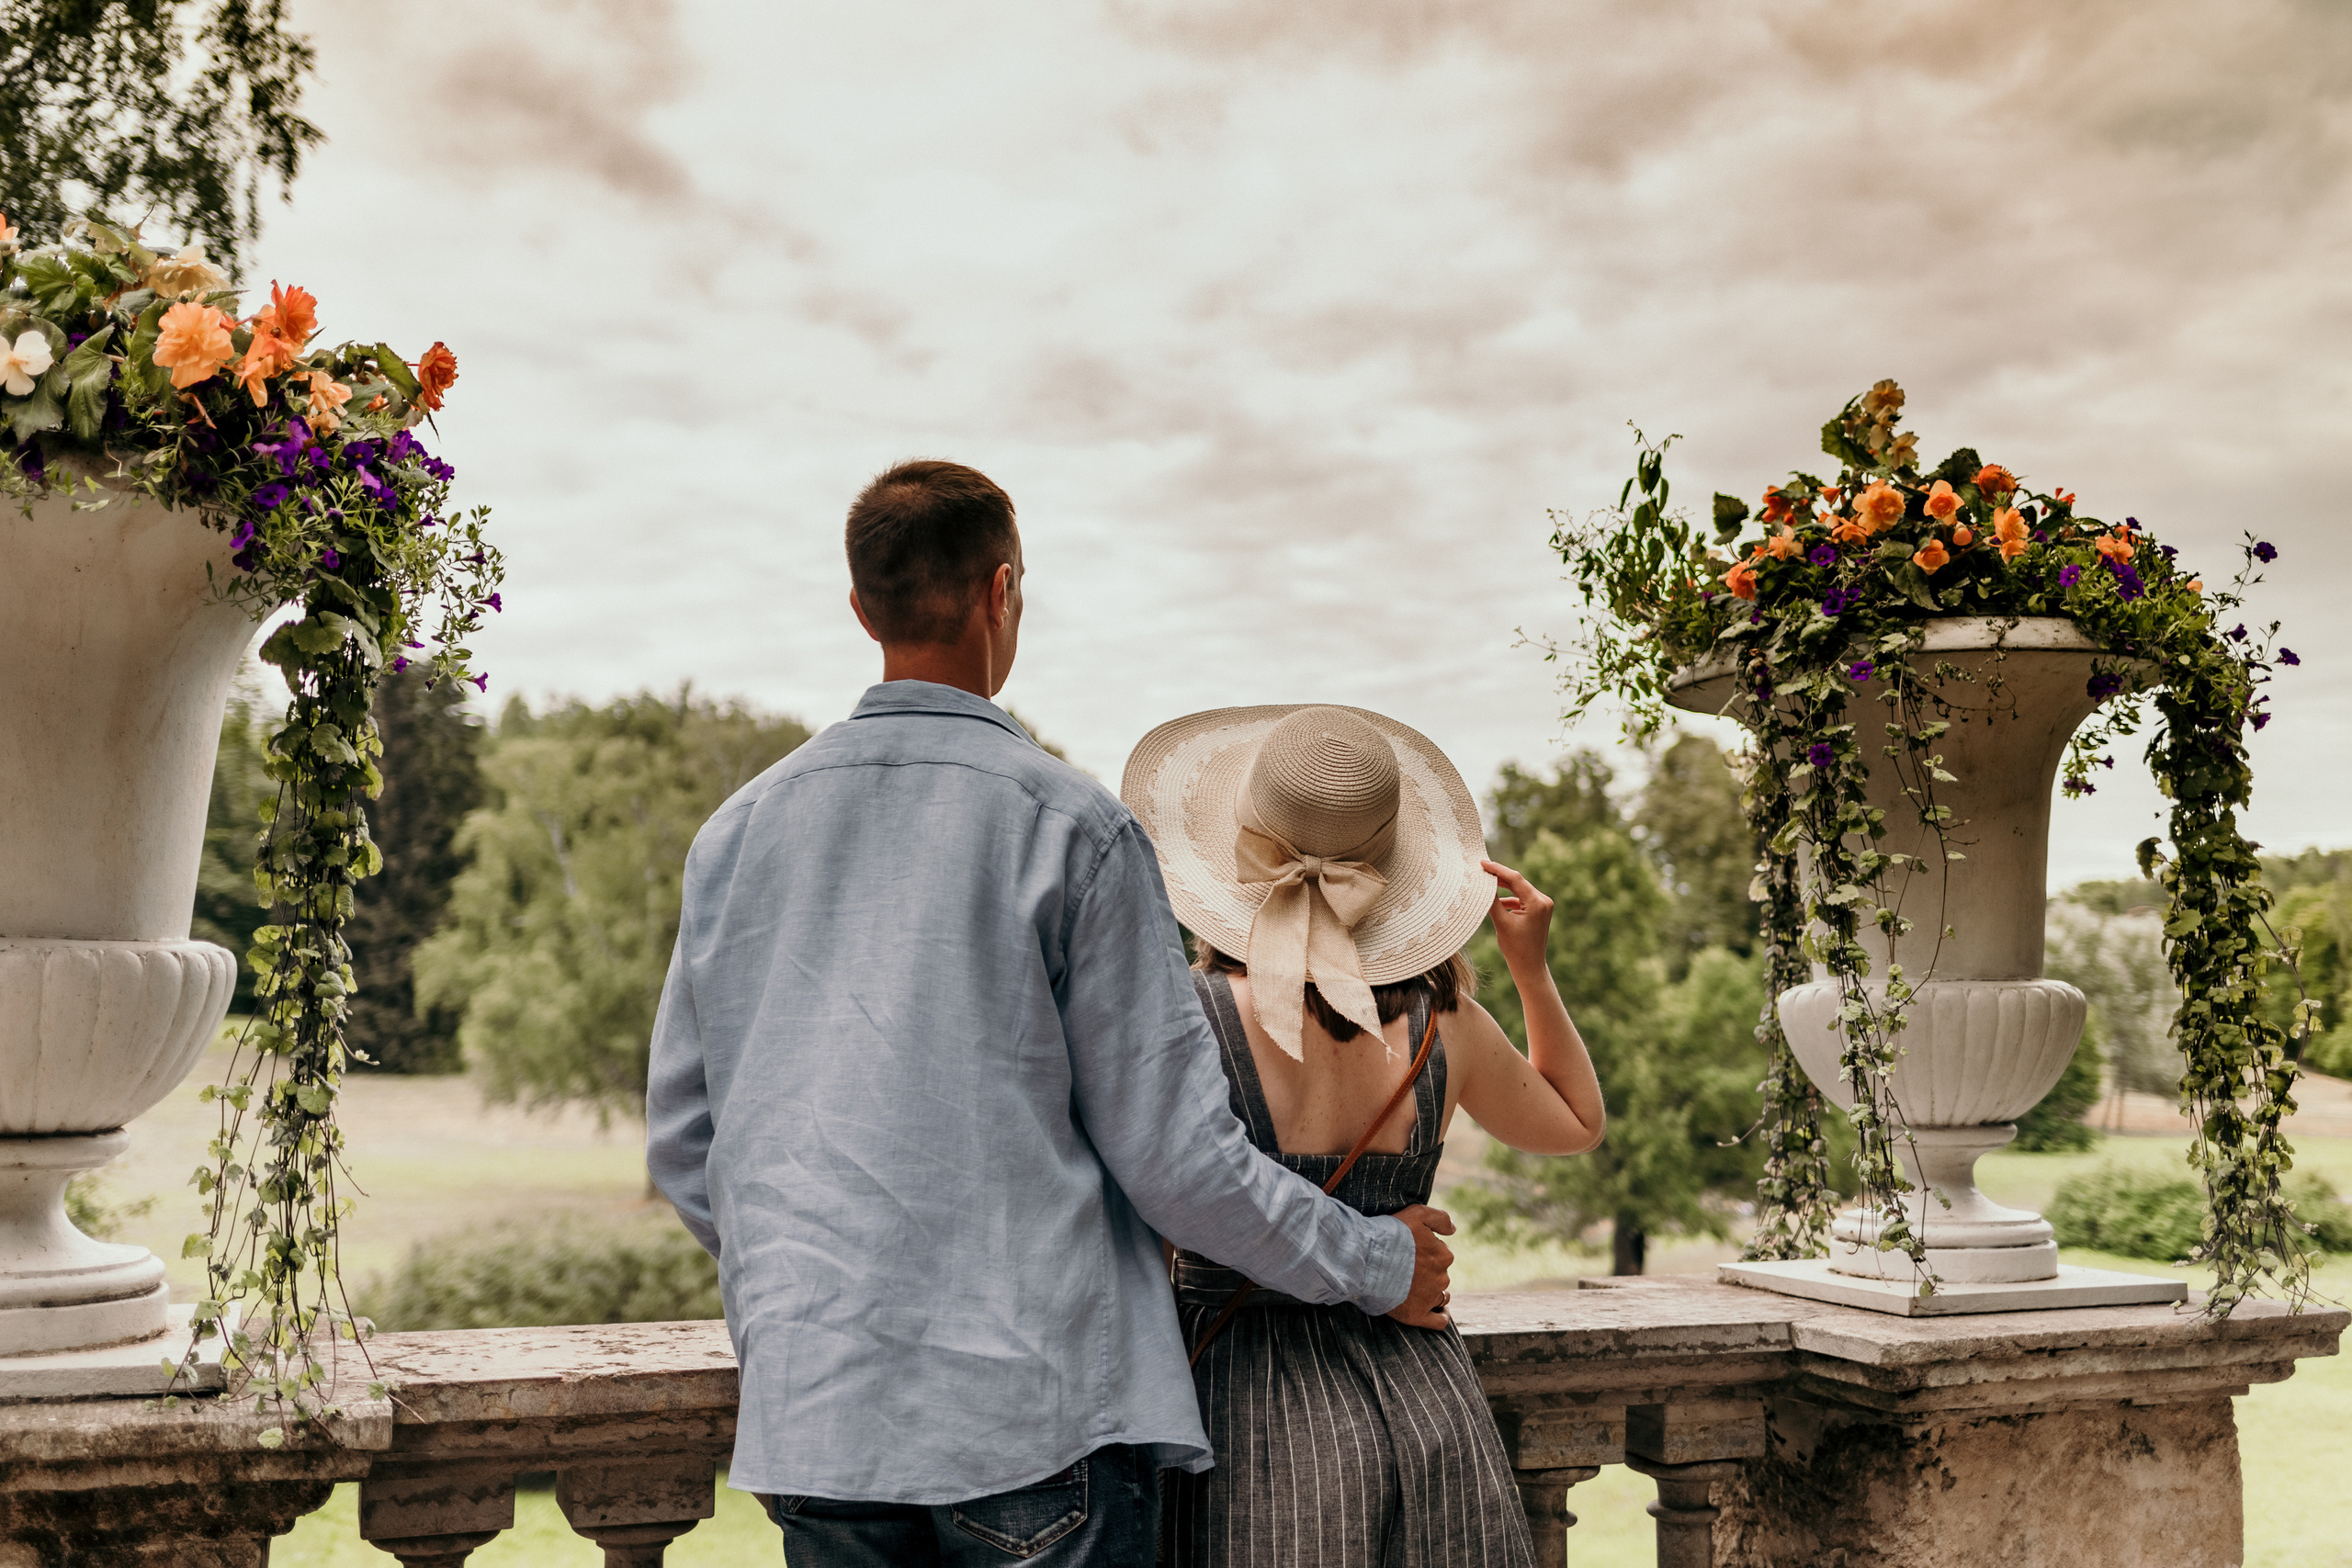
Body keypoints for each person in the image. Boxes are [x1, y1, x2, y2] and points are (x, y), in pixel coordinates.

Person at [643, 460, 1459, 1568]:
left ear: (859, 609)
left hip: (821, 1425)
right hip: (1036, 1427)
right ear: (1003, 592)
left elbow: (690, 1147)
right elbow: (1175, 1159)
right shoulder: (1073, 829)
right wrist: (1374, 1262)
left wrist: (825, 1301)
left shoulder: (734, 837)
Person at [1121, 704, 1607, 1567]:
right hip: (1420, 1399)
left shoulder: (1189, 1023)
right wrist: (1531, 969)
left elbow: (1157, 1227)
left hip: (1241, 1403)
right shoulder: (1444, 1023)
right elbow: (1575, 1123)